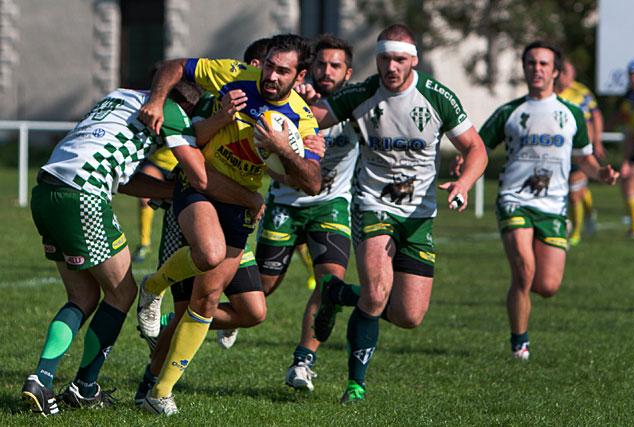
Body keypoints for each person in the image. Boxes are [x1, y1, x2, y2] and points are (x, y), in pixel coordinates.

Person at [21, 81, 237, 416]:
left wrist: (166, 190)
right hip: (83, 194)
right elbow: (198, 176)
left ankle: (43, 380)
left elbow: (126, 181)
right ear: (190, 108)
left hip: (47, 191)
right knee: (122, 294)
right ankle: (82, 386)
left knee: (82, 297)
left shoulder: (118, 96)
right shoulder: (173, 113)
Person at [299, 24, 488, 403]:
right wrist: (299, 113)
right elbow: (311, 116)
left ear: (413, 60)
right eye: (385, 58)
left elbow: (476, 149)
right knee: (375, 294)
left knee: (408, 316)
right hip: (373, 205)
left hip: (419, 216)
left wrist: (464, 183)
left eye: (400, 59)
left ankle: (335, 293)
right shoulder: (362, 93)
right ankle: (355, 385)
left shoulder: (437, 97)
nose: (391, 66)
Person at [135, 34, 323, 415]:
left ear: (299, 75)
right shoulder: (234, 75)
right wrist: (156, 100)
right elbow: (175, 67)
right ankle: (154, 303)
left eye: (281, 71)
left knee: (246, 311)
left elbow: (313, 181)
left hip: (239, 205)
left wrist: (282, 148)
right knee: (208, 258)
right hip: (200, 186)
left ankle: (157, 390)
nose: (270, 75)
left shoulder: (302, 119)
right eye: (268, 65)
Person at [477, 41, 618, 361]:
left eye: (543, 64)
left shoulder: (571, 115)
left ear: (555, 71)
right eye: (530, 63)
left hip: (553, 206)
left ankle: (523, 313)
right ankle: (519, 344)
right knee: (524, 271)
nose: (536, 69)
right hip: (514, 200)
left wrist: (602, 174)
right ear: (524, 68)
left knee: (547, 286)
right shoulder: (509, 112)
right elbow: (478, 147)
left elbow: (584, 160)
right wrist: (464, 168)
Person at [250, 34, 358, 393]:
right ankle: (228, 315)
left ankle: (302, 362)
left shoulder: (359, 104)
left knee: (330, 285)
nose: (327, 71)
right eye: (321, 64)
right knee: (262, 289)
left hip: (331, 204)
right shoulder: (292, 101)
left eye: (335, 65)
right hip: (284, 203)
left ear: (348, 72)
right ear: (308, 71)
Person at [554, 58, 606, 246]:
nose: (563, 75)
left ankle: (575, 232)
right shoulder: (549, 94)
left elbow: (595, 116)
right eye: (560, 71)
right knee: (571, 191)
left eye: (566, 71)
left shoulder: (581, 93)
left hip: (580, 149)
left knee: (575, 191)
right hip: (559, 151)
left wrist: (596, 142)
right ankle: (588, 212)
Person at [131, 147, 178, 263]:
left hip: (179, 166)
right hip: (155, 163)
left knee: (175, 206)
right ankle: (144, 244)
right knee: (144, 198)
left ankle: (174, 245)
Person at [616, 60, 634, 238]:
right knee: (627, 182)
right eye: (631, 75)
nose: (633, 78)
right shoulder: (629, 96)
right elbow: (630, 130)